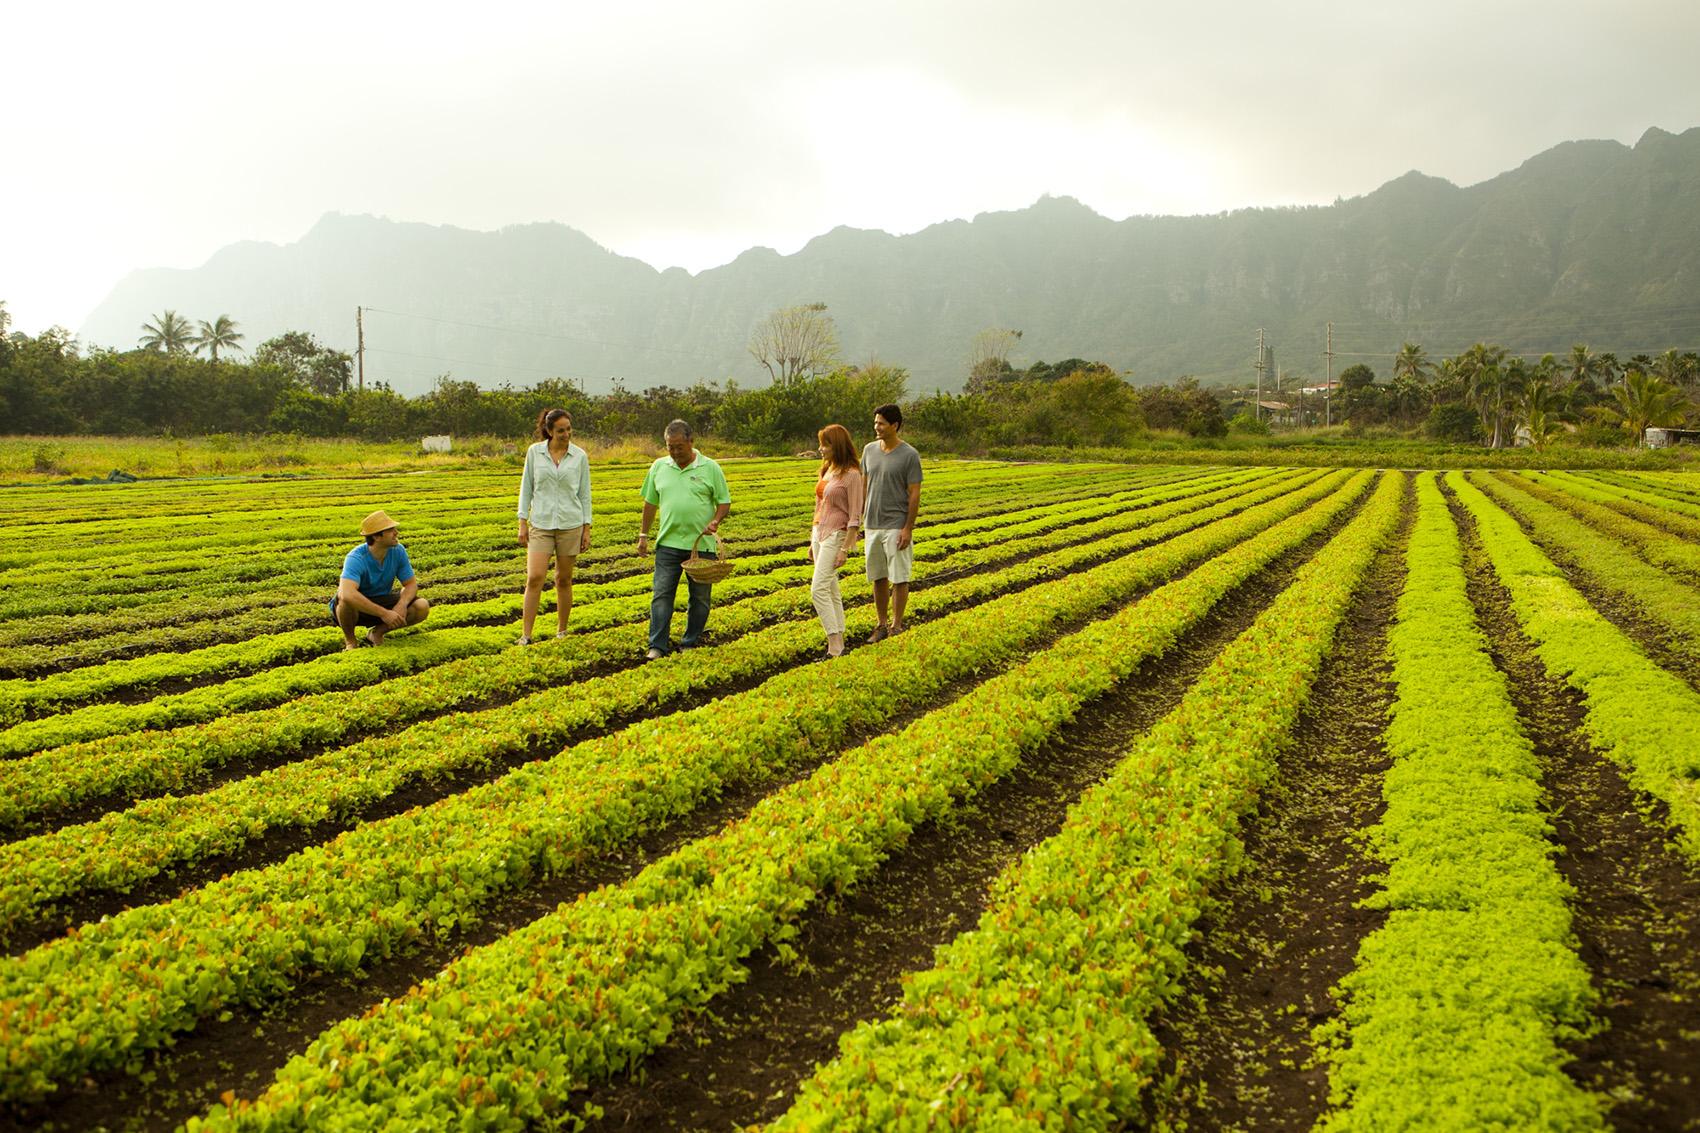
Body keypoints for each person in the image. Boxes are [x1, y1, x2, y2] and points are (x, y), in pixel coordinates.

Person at [637, 419, 731, 659]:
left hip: (700, 547)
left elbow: (724, 502)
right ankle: (657, 645)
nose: (675, 451)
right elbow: (650, 503)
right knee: (661, 595)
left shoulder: (710, 468)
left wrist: (716, 521)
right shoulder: (659, 467)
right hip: (667, 544)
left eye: (680, 446)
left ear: (691, 442)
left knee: (700, 599)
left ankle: (690, 641)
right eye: (670, 446)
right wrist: (643, 535)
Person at [516, 407, 593, 645]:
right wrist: (522, 521)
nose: (566, 434)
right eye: (560, 430)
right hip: (541, 523)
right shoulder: (535, 453)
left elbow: (584, 494)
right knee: (535, 577)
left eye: (568, 429)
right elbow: (526, 487)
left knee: (563, 579)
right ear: (549, 431)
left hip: (571, 524)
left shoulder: (579, 456)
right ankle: (526, 635)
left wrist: (586, 527)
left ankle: (561, 630)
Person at [860, 402, 922, 641]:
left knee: (899, 577)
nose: (877, 427)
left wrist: (908, 528)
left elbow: (914, 493)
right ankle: (881, 624)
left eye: (881, 423)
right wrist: (859, 518)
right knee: (878, 576)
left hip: (896, 524)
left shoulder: (909, 455)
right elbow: (864, 485)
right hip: (873, 523)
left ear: (894, 425)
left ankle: (897, 625)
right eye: (875, 422)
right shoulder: (868, 451)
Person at [330, 510, 430, 650]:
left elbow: (410, 584)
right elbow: (347, 594)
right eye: (391, 530)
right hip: (355, 609)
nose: (396, 533)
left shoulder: (398, 550)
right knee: (345, 601)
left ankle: (377, 633)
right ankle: (351, 642)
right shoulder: (355, 558)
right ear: (377, 537)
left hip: (380, 599)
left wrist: (402, 604)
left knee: (421, 606)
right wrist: (384, 613)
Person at [809, 424, 863, 658]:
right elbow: (819, 505)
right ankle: (839, 641)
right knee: (831, 589)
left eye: (825, 444)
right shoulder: (826, 471)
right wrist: (811, 540)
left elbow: (855, 515)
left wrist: (845, 548)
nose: (821, 449)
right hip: (819, 533)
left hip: (836, 535)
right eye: (821, 443)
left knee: (818, 589)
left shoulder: (851, 475)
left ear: (837, 446)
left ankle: (833, 644)